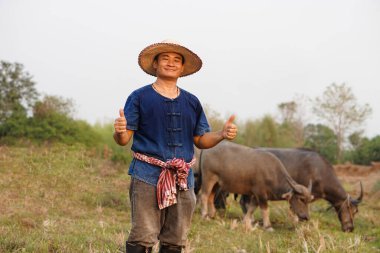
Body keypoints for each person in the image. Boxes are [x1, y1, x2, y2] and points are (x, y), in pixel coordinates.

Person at [113, 39, 238, 253]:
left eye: (176, 60)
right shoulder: (139, 97)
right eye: (165, 58)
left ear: (182, 67)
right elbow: (124, 140)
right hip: (146, 175)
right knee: (143, 234)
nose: (171, 63)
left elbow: (200, 140)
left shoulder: (192, 102)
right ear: (155, 65)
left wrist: (221, 134)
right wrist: (120, 130)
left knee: (176, 237)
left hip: (183, 178)